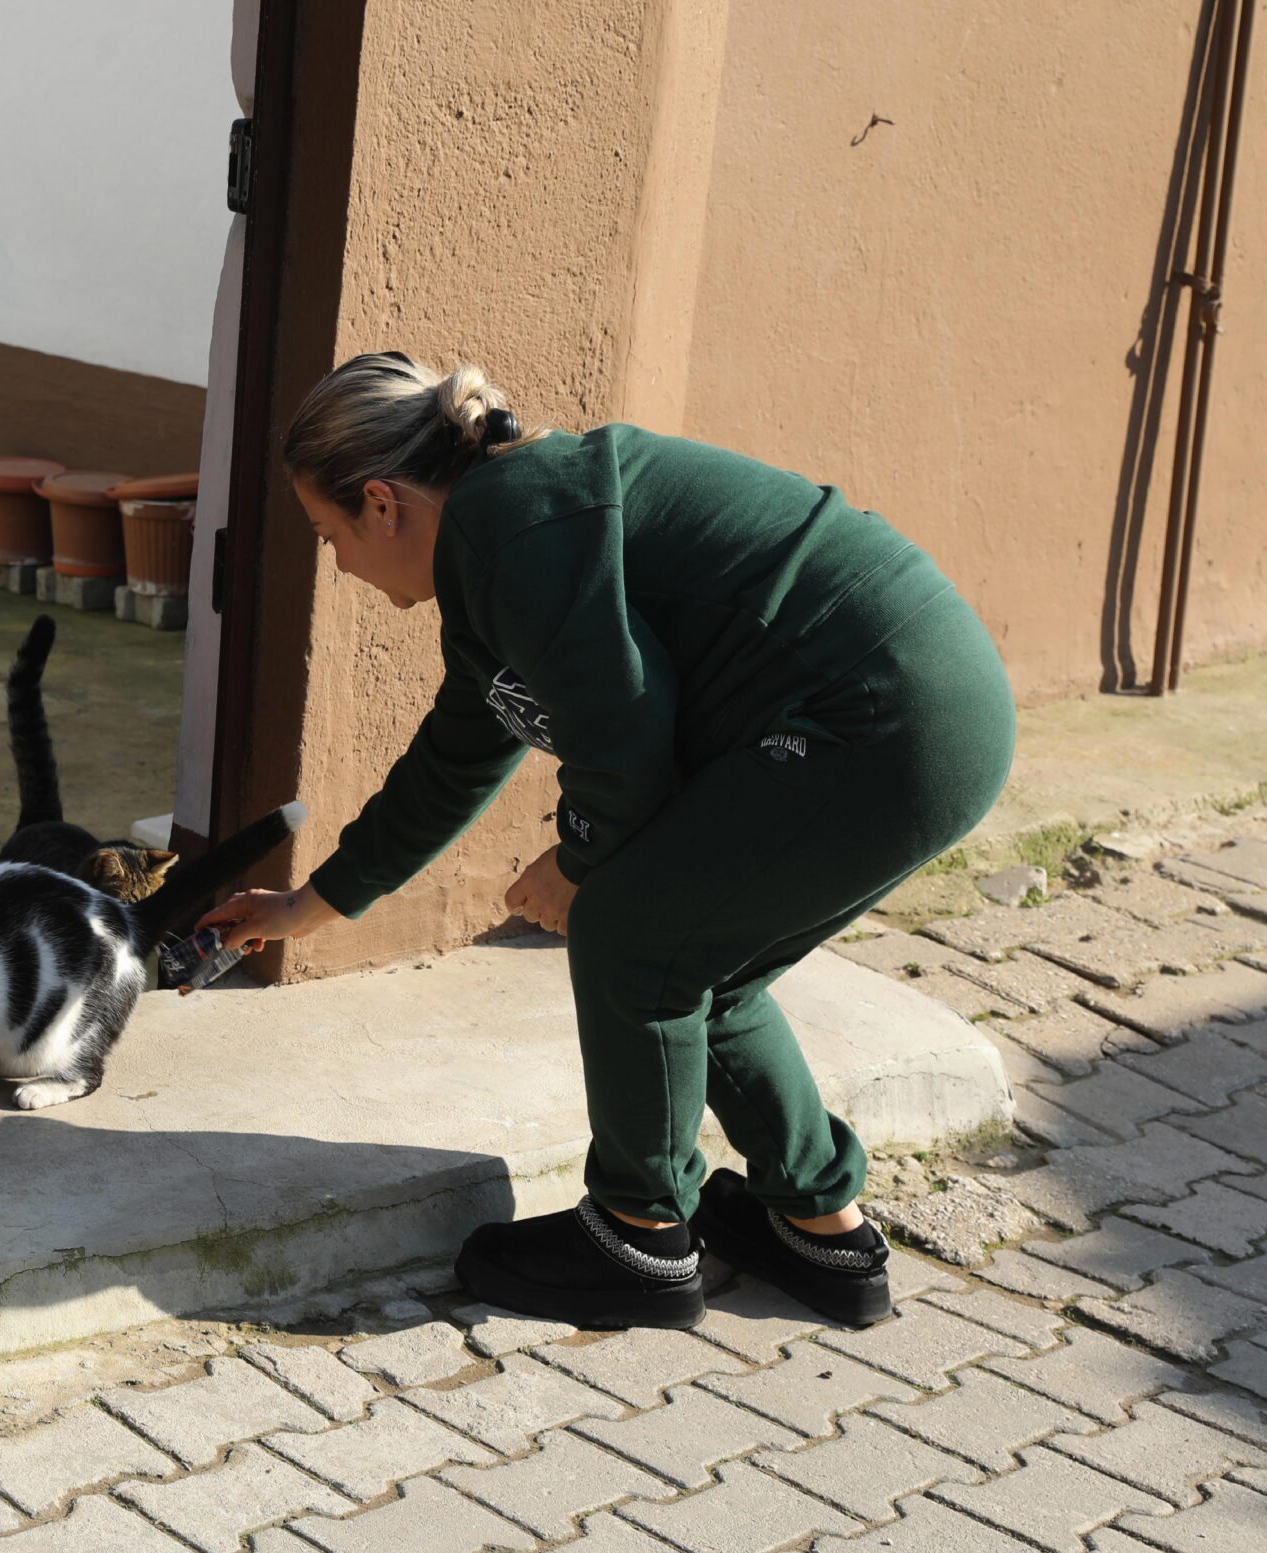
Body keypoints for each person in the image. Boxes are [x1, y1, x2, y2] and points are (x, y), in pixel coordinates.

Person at [202, 354, 1015, 1330]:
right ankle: (818, 1229)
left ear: (382, 503)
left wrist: (581, 862)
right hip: (932, 713)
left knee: (634, 936)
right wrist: (307, 907)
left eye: (329, 535)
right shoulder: (501, 545)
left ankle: (639, 1238)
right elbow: (453, 764)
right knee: (703, 959)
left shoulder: (518, 531)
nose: (337, 562)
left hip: (878, 719)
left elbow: (624, 730)